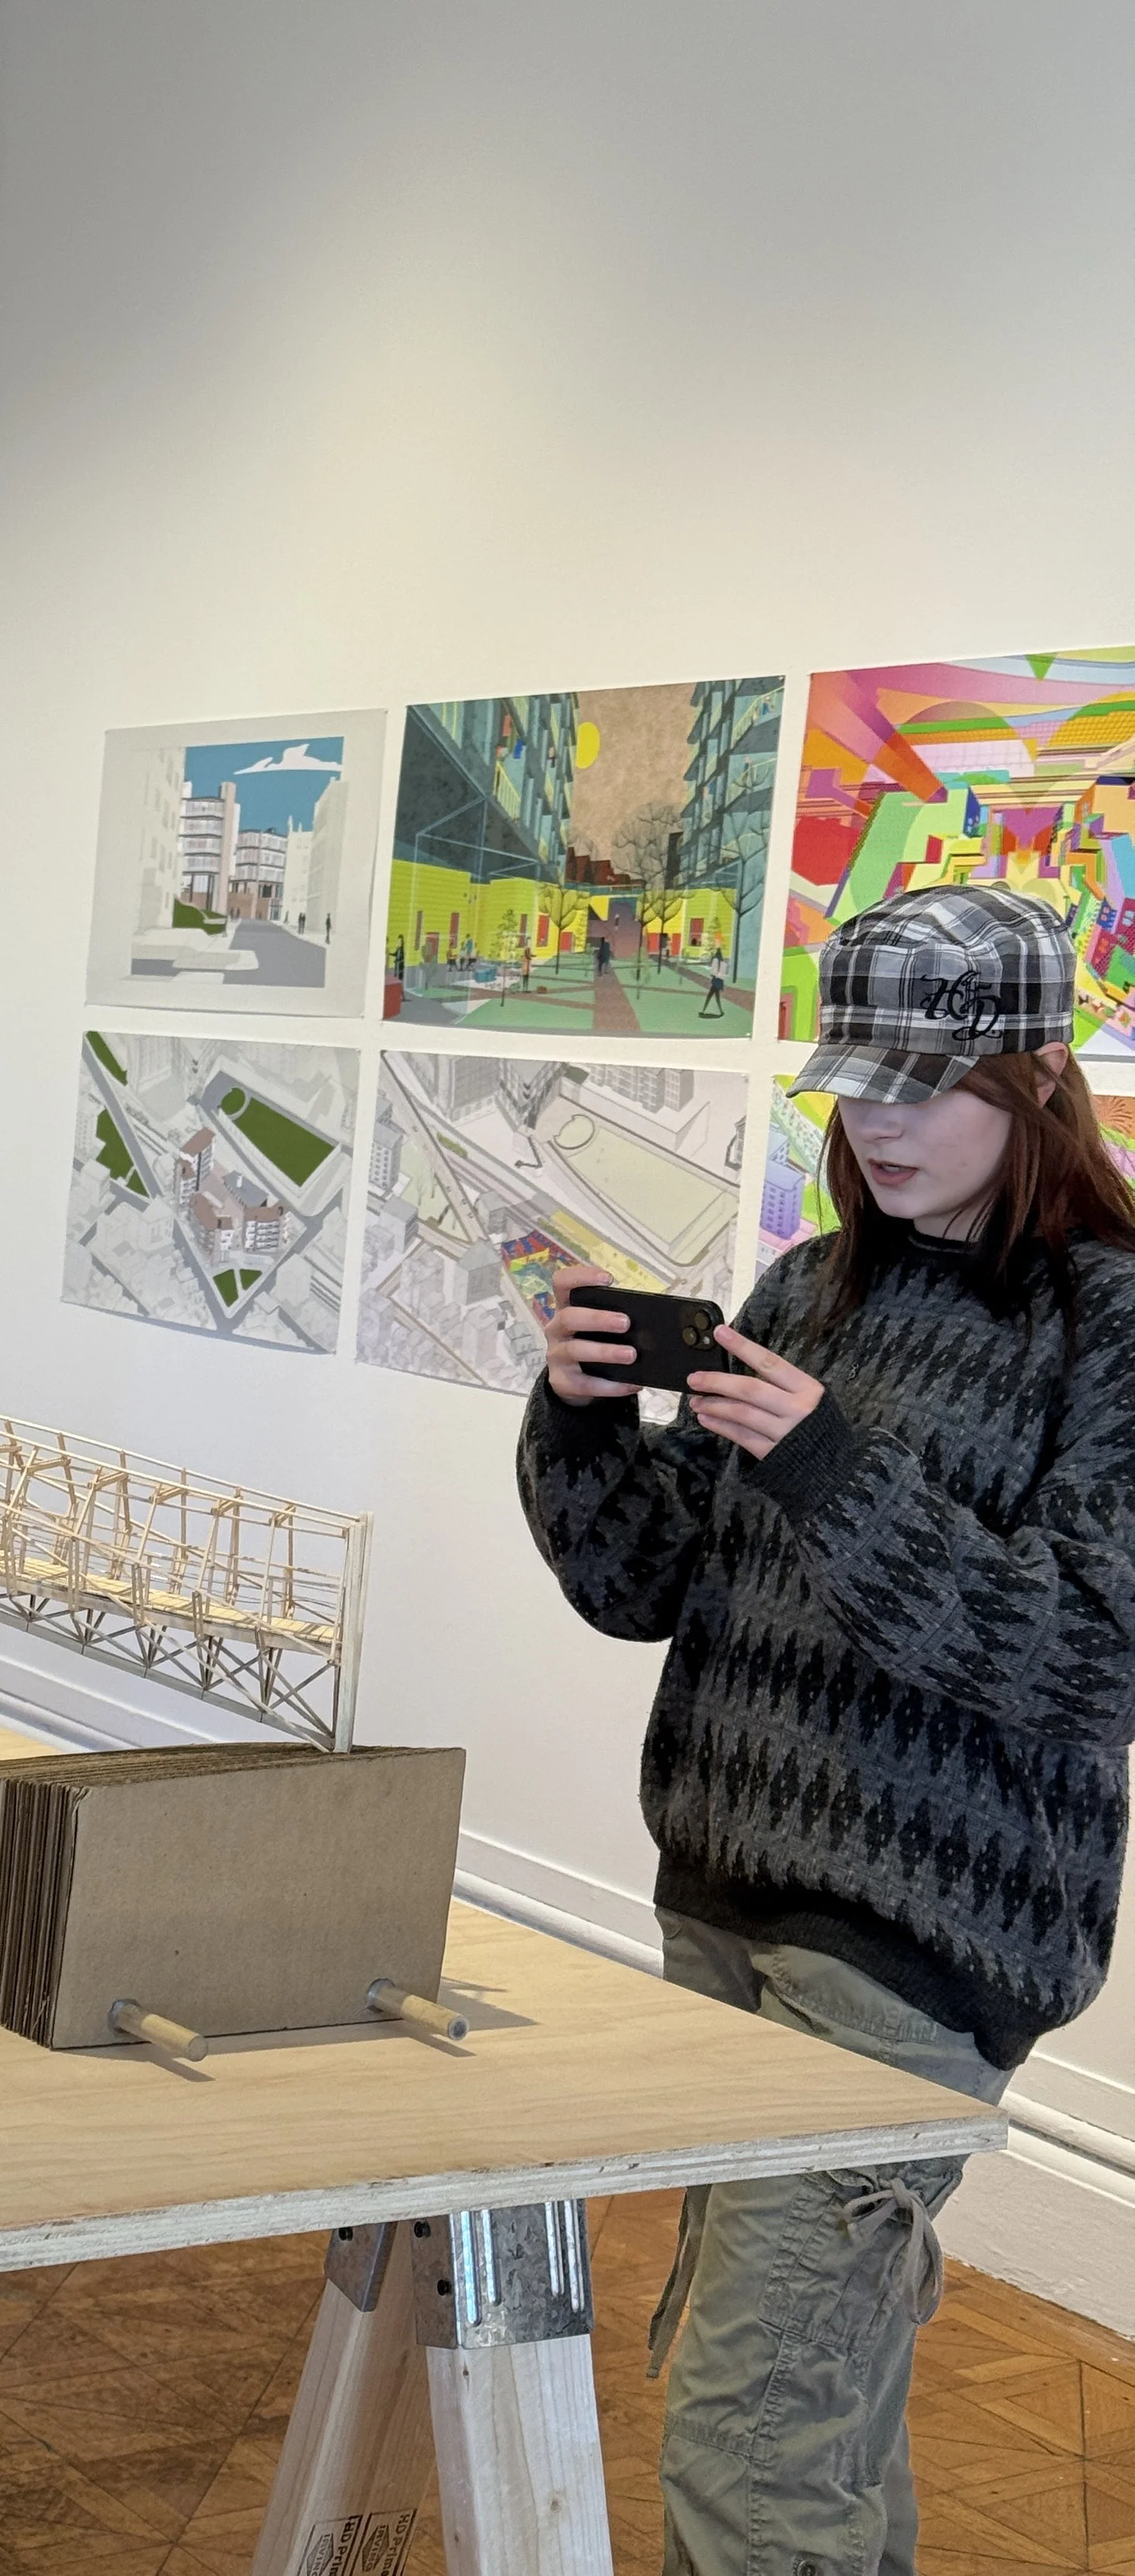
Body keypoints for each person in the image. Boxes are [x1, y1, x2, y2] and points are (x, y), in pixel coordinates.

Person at [517, 883, 1135, 2576]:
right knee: (794, 2397)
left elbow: (1093, 1657)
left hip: (915, 1956)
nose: (872, 1120)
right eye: (849, 1082)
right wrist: (577, 1428)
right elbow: (645, 1585)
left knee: (748, 2427)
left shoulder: (1111, 1331)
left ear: (1030, 1079)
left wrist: (830, 1468)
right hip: (717, 1904)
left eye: (916, 1083)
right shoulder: (807, 1291)